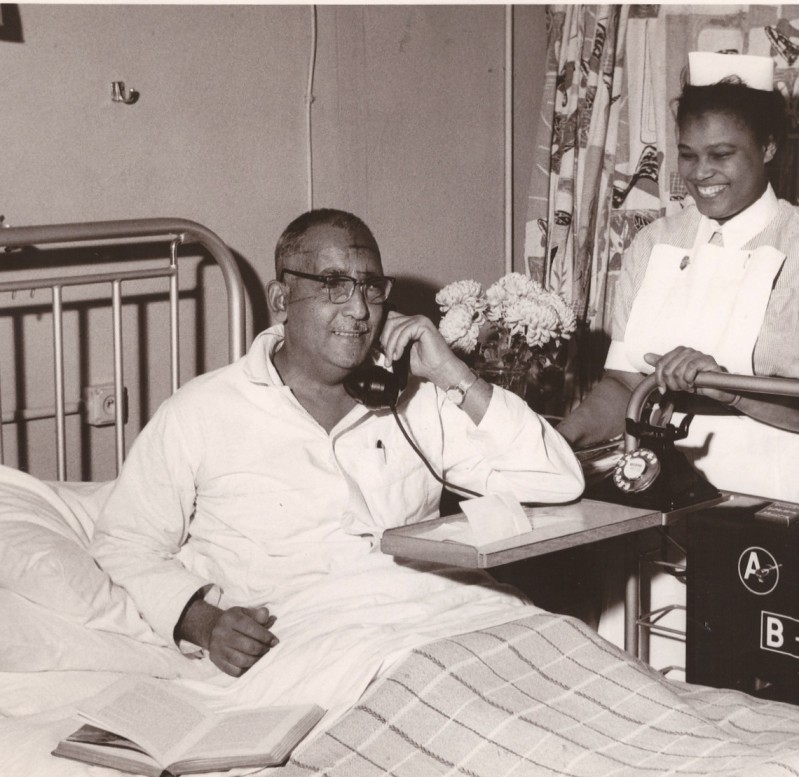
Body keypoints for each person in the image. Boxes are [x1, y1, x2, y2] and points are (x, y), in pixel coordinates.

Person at [91, 209, 584, 688]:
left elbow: (559, 481)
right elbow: (124, 544)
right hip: (315, 647)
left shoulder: (420, 399)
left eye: (371, 287)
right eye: (333, 285)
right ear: (281, 299)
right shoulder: (201, 411)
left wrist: (455, 374)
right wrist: (203, 622)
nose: (359, 309)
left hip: (455, 617)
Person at [558, 52, 799, 513]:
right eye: (688, 155)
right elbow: (624, 385)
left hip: (782, 485)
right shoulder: (654, 241)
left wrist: (731, 388)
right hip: (659, 480)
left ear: (767, 148)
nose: (700, 173)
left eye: (722, 155)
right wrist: (556, 442)